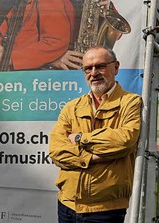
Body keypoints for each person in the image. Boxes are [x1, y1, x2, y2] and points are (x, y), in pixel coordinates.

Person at [49, 46, 142, 223]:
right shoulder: (72, 107)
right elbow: (56, 151)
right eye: (88, 68)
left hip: (106, 209)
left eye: (100, 66)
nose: (94, 73)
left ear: (116, 67)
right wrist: (91, 157)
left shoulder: (131, 102)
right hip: (67, 204)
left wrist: (80, 138)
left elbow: (124, 141)